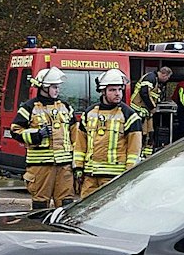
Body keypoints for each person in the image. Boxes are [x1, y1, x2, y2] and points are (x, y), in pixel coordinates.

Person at [73, 68, 146, 198]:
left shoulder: (129, 115)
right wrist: (78, 168)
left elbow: (134, 151)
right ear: (103, 91)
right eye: (112, 90)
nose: (118, 93)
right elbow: (80, 145)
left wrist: (129, 175)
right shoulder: (89, 113)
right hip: (90, 176)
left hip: (114, 178)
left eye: (120, 89)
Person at [10, 67, 74, 209]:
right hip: (40, 165)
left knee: (66, 203)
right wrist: (36, 135)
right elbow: (15, 131)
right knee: (40, 203)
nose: (57, 90)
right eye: (54, 87)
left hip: (64, 165)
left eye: (58, 87)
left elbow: (75, 134)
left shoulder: (65, 107)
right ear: (44, 87)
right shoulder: (29, 107)